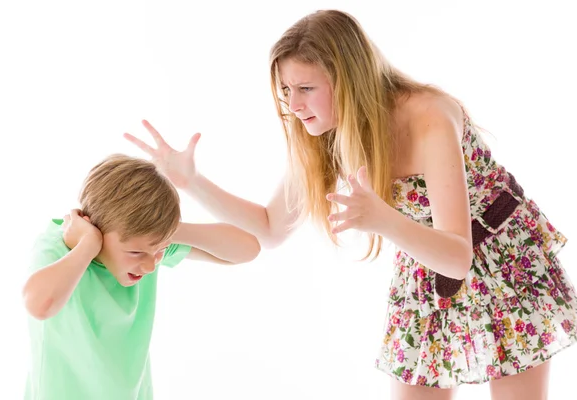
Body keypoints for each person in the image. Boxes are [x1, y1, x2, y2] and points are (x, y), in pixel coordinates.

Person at [124, 9, 576, 400]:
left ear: (348, 78)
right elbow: (269, 228)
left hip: (500, 256)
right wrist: (191, 182)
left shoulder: (429, 118)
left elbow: (458, 257)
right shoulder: (325, 132)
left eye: (305, 89)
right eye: (285, 90)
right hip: (424, 265)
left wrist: (384, 219)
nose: (293, 105)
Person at [22, 153, 260, 399]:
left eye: (160, 251)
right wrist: (88, 245)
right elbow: (40, 305)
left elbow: (247, 249)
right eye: (135, 252)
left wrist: (164, 232)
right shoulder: (60, 246)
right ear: (96, 228)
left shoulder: (149, 248)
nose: (149, 266)